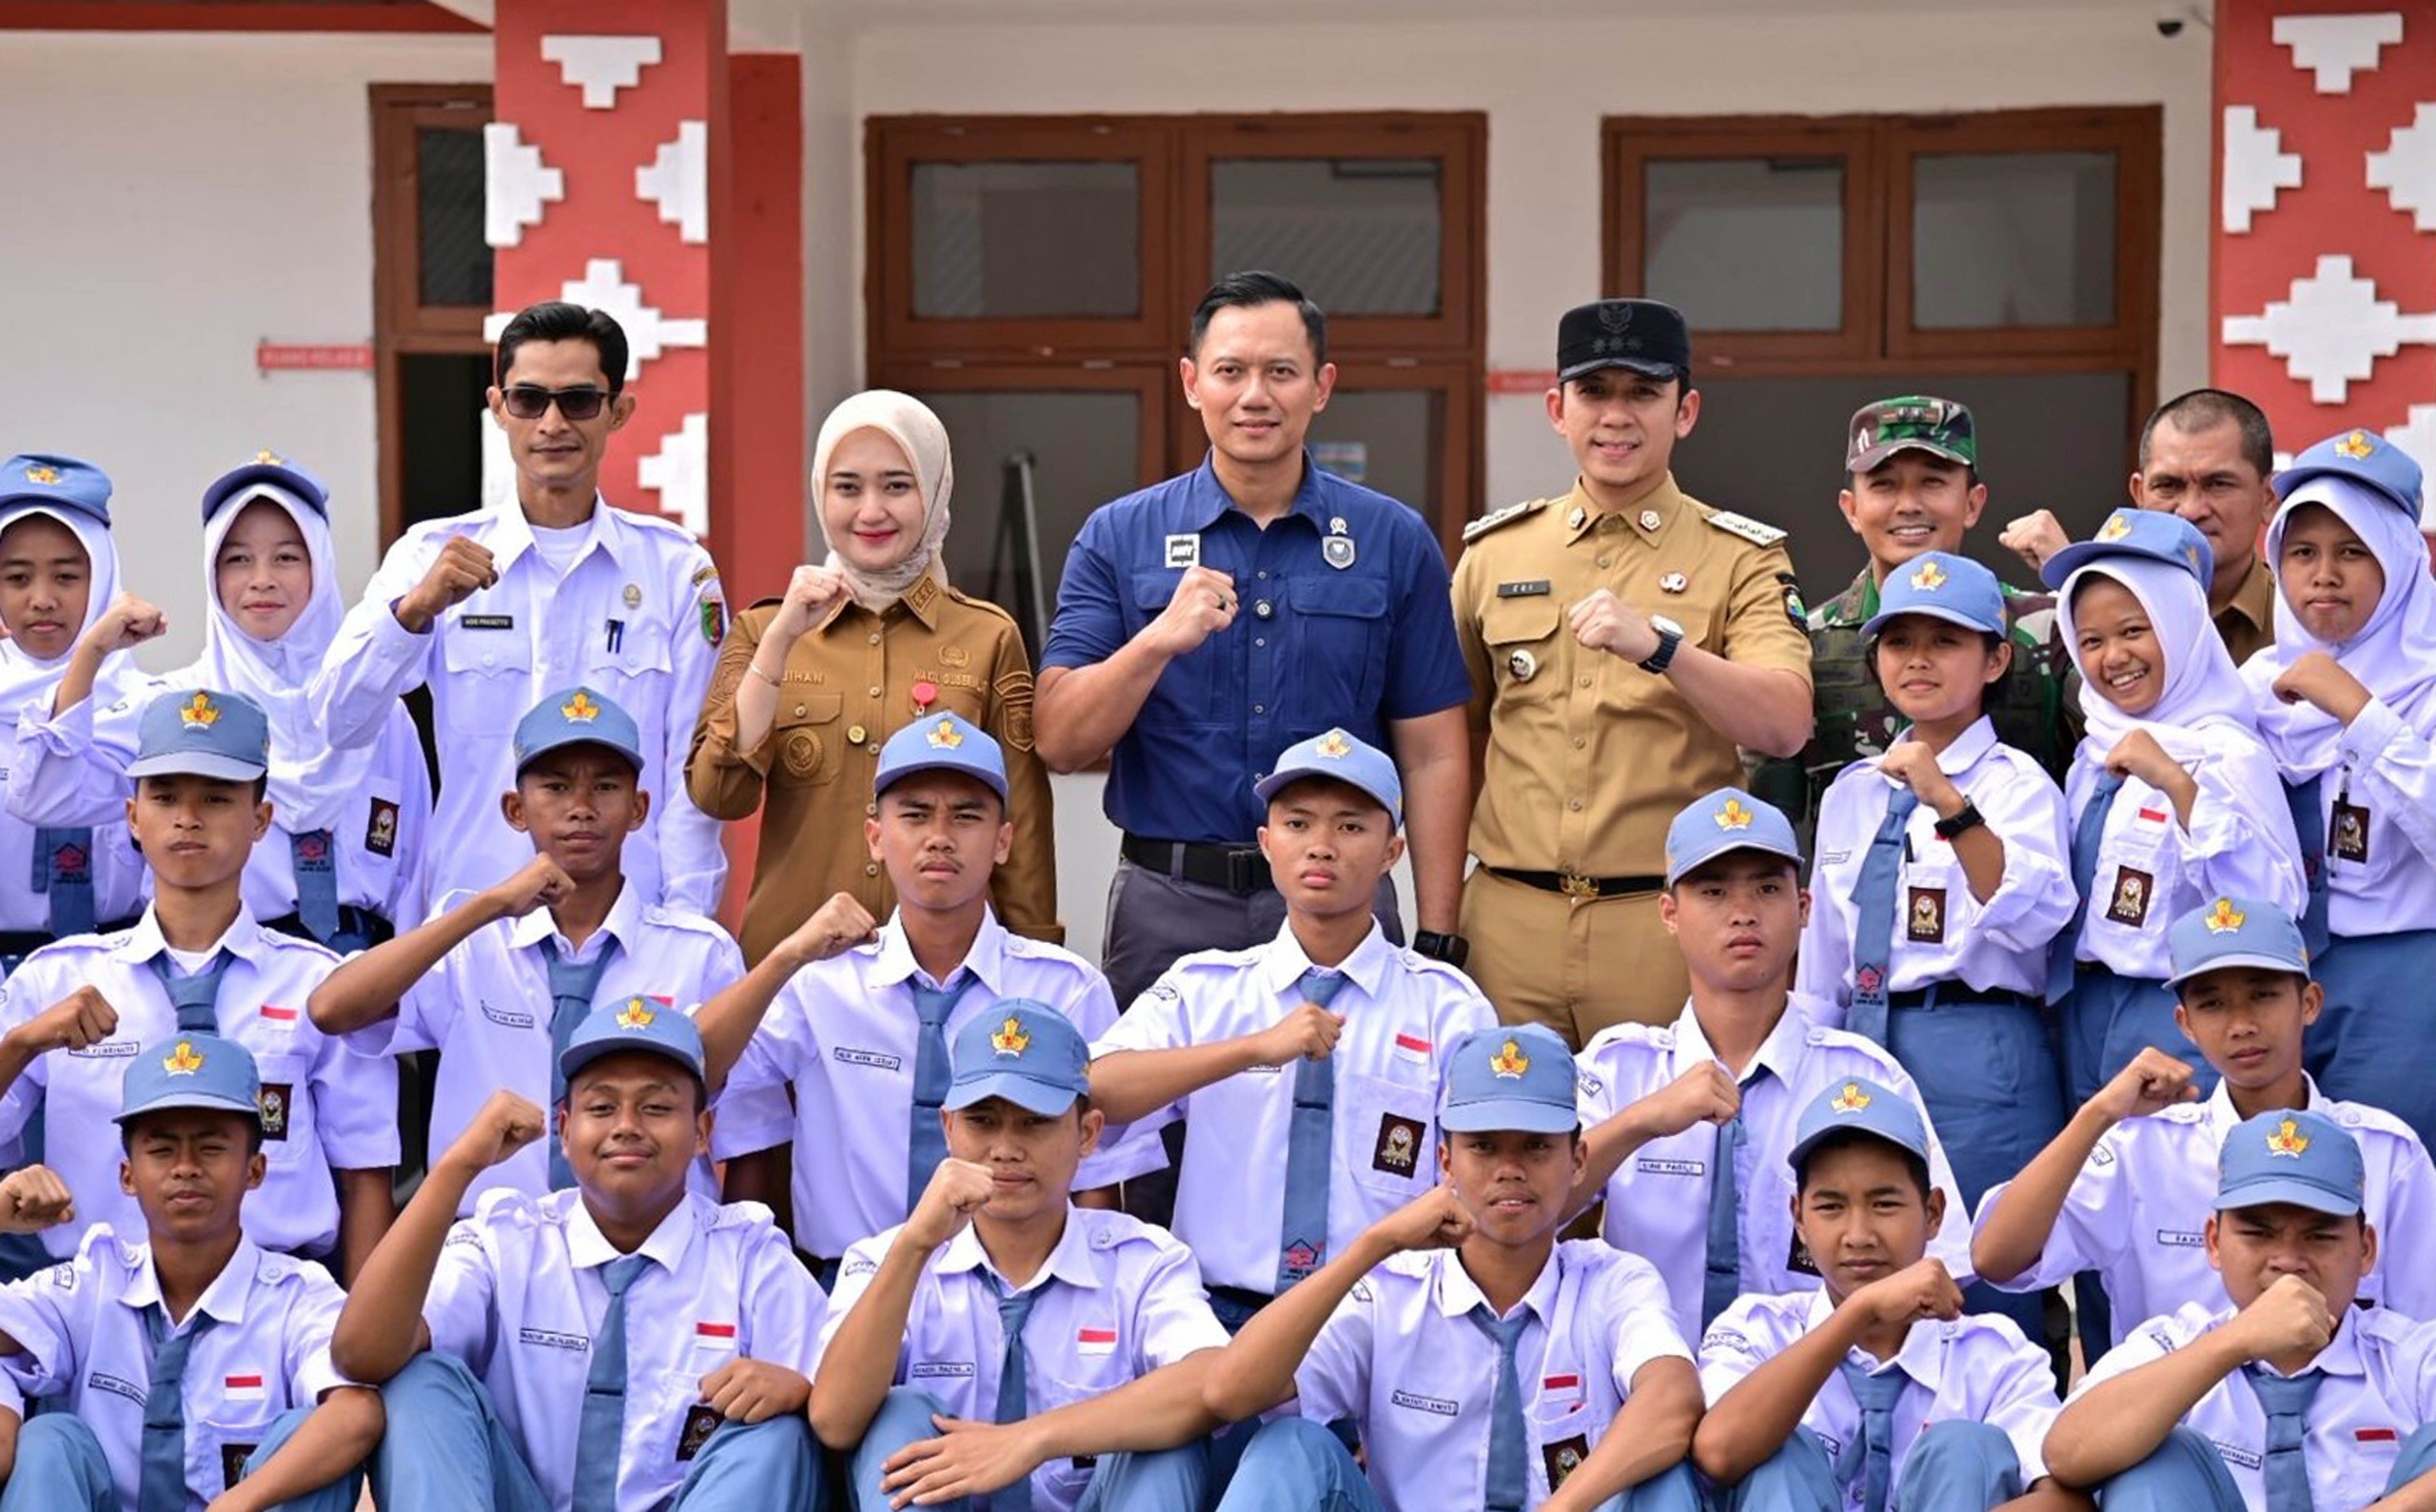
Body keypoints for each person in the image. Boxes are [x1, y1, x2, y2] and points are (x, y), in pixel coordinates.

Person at [1036, 270, 1474, 1005]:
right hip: (1169, 908)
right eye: (1230, 371)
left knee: (1348, 1115)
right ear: (1190, 381)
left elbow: (1433, 753)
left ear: (1322, 385)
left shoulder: (1392, 540)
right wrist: (1155, 643)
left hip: (1342, 908)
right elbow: (1058, 739)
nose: (1255, 396)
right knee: (1159, 1120)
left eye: (1281, 372)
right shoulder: (1119, 536)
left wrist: (1437, 935)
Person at [1451, 298, 1812, 1047]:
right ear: (1557, 407)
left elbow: (1784, 723)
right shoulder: (1494, 554)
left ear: (1685, 411)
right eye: (1594, 392)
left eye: (1643, 392)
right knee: (1501, 1149)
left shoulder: (1740, 556)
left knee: (1666, 1151)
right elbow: (1451, 739)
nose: (1616, 415)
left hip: (1659, 922)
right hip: (1507, 917)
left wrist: (1664, 649)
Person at [695, 712, 1159, 1276]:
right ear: (876, 837)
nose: (940, 836)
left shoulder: (1063, 988)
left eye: (966, 816)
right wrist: (786, 956)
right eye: (914, 815)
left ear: (1004, 840)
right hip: (845, 1282)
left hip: (1005, 1289)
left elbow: (1099, 1172)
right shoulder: (820, 982)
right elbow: (696, 1068)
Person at [310, 301, 727, 913]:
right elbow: (338, 719)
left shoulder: (675, 570)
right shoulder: (430, 554)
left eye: (579, 400)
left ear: (619, 411)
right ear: (499, 407)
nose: (552, 422)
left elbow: (691, 778)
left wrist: (685, 924)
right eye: (529, 399)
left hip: (630, 915)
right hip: (473, 915)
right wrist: (416, 610)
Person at [329, 1004, 826, 1511]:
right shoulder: (508, 1241)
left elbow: (842, 1407)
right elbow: (362, 1354)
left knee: (779, 1434)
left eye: (656, 1107)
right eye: (602, 1108)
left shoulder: (749, 1255)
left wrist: (801, 1388)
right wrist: (457, 1167)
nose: (627, 1126)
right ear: (564, 1130)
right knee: (419, 1382)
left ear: (702, 1132)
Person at [1200, 1022, 1706, 1512]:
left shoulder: (1612, 1282)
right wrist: (1373, 1245)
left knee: (1665, 1478)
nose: (1509, 1169)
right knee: (1290, 1449)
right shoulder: (1391, 1294)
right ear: (1445, 1161)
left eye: (1536, 1146)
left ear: (1577, 1161)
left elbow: (1673, 1401)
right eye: (1484, 1146)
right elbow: (1229, 1393)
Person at [308, 686, 772, 1214]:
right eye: (555, 787)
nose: (580, 808)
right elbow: (332, 1010)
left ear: (640, 808)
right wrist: (486, 906)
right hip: (490, 1248)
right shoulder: (473, 943)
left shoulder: (698, 953)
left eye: (605, 787)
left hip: (653, 1247)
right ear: (515, 809)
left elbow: (748, 1132)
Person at [1089, 727, 1495, 1328]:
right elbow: (1094, 1089)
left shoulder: (1445, 1005)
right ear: (1266, 843)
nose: (1322, 846)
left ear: (1392, 853)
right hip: (1215, 1312)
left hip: (1385, 1317)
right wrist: (1252, 1048)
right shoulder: (1207, 989)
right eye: (1297, 824)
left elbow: (1480, 1173)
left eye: (1351, 826)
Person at [0, 689, 396, 1279]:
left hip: (276, 1299)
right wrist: (23, 1043)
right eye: (164, 797)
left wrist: (365, 1349)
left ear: (262, 819)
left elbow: (366, 1173)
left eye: (216, 797)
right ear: (132, 817)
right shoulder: (56, 979)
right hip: (98, 1298)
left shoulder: (316, 985)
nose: (188, 818)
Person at [1571, 788, 1973, 1344]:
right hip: (1641, 1388)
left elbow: (1939, 1266)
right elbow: (1521, 1213)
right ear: (1669, 913)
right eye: (1712, 891)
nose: (1742, 913)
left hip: (1818, 1400)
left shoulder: (1861, 1077)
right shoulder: (1621, 1069)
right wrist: (1644, 1120)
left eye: (1766, 888)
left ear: (1804, 908)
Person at [1797, 551, 2073, 1344]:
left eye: (1946, 641)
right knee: (1862, 1263)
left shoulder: (2018, 784)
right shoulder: (1854, 790)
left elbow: (2036, 917)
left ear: (1995, 659)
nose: (1917, 659)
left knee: (1987, 1271)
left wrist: (1949, 802)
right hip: (1864, 1036)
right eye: (1898, 640)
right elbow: (1824, 952)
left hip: (1977, 1042)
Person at [687, 390, 1059, 964]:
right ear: (820, 494)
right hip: (793, 971)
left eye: (896, 485)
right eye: (847, 487)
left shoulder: (988, 637)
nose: (870, 511)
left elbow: (1024, 826)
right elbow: (719, 795)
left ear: (934, 491)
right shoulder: (766, 629)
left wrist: (1035, 963)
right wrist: (783, 641)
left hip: (945, 970)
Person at [12, 452, 432, 953]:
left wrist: (410, 1005)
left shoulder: (375, 707)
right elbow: (45, 795)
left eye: (287, 557)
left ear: (321, 565)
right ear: (211, 573)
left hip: (369, 980)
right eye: (237, 559)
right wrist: (92, 651)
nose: (262, 580)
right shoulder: (177, 706)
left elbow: (416, 868)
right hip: (235, 976)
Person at [812, 1006, 1225, 1511]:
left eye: (1035, 1123)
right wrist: (916, 1246)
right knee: (898, 1412)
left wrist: (1031, 1439)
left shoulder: (1142, 1263)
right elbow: (834, 1420)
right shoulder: (888, 1257)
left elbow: (1212, 1382)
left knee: (1165, 1436)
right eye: (982, 1121)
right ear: (948, 1127)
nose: (1005, 1149)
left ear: (1088, 1133)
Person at [1974, 895, 2436, 1345]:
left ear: (2310, 1003)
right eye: (2212, 1004)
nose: (2240, 1024)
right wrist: (2097, 1115)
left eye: (2263, 995)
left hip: (2342, 1418)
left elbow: (2423, 1326)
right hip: (2179, 1415)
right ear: (2185, 1023)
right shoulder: (2145, 1149)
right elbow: (1998, 1257)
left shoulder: (2384, 1151)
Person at [0, 1035, 383, 1512]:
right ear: (127, 1176)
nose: (185, 1168)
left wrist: (238, 1503)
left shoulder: (297, 1294)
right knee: (49, 1440)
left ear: (255, 1170)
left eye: (211, 1147)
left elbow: (356, 1414)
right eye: (161, 1151)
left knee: (306, 1434)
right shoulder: (94, 1279)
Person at [1692, 1077, 2068, 1512]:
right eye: (1831, 1207)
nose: (1858, 1235)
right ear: (1799, 1218)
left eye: (1884, 1204)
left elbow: (2063, 1499)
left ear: (1933, 1213)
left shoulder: (1992, 1354)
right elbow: (1719, 1452)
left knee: (1965, 1449)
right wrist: (1860, 1312)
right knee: (1777, 1450)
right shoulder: (1759, 1329)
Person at [2039, 507, 2303, 1109]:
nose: (2114, 658)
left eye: (2135, 631)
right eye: (2092, 641)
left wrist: (2178, 785)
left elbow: (2272, 904)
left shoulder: (2225, 751)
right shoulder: (2092, 754)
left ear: (2181, 629)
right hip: (2082, 1010)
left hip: (2180, 1012)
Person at [2040, 1109, 2436, 1508]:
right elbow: (2067, 1454)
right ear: (2213, 1241)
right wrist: (2237, 1341)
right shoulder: (2176, 1344)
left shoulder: (2408, 1358)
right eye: (2258, 1234)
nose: (2287, 1259)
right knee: (2151, 1456)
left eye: (2319, 1236)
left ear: (2366, 1250)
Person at [1750, 396, 2074, 851]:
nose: (1908, 505)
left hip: (2015, 905)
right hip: (1858, 906)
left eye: (1932, 483)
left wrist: (2076, 578)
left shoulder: (2045, 628)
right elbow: (1768, 820)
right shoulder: (1808, 644)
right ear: (1850, 508)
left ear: (1973, 502)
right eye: (1883, 485)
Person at [2240, 428, 2436, 1151]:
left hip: (2405, 977)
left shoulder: (2429, 681)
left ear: (2399, 562)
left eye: (2353, 552)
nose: (2324, 574)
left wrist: (2359, 711)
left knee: (2390, 1184)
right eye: (2302, 552)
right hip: (2274, 975)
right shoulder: (2256, 684)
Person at [2002, 389, 2283, 666]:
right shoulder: (2069, 621)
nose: (2190, 510)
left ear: (2269, 498)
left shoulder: (2307, 620)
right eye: (2168, 486)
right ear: (2139, 494)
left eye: (2218, 484)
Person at [0, 454, 146, 968]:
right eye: (17, 579)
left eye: (66, 577)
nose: (42, 599)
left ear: (104, 579)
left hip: (126, 974)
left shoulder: (152, 707)